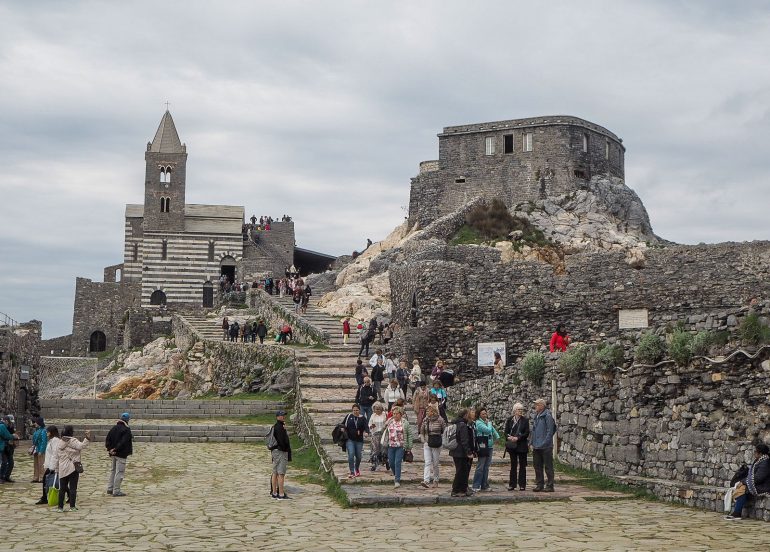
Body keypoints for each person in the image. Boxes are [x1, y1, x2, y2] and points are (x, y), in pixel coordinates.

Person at [725, 443, 769, 520]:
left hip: (763, 486)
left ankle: (737, 513)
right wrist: (743, 481)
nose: (754, 453)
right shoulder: (759, 461)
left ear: (760, 453)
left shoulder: (765, 463)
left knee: (743, 488)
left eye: (755, 452)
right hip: (758, 484)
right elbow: (752, 476)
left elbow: (758, 478)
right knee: (741, 486)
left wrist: (743, 482)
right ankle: (736, 512)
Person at [54, 425, 91, 512]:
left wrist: (56, 469)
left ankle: (60, 507)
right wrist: (87, 438)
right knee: (73, 488)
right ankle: (72, 506)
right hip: (73, 468)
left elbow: (56, 457)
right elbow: (81, 446)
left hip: (62, 468)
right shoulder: (73, 441)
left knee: (62, 489)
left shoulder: (59, 443)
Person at [383, 406, 413, 488]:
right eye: (394, 414)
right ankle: (396, 473)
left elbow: (409, 434)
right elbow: (384, 429)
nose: (395, 415)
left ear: (401, 414)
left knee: (397, 462)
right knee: (391, 462)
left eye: (397, 414)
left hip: (400, 445)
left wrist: (409, 446)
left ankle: (397, 480)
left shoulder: (405, 423)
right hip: (391, 445)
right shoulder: (390, 421)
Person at [531, 398, 557, 492]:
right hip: (536, 445)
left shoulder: (547, 416)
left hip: (545, 446)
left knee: (548, 466)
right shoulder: (536, 416)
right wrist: (531, 442)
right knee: (537, 466)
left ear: (542, 406)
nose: (535, 406)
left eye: (537, 405)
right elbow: (534, 430)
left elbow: (550, 431)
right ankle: (539, 484)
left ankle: (550, 485)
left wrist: (545, 442)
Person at [105, 412, 133, 497]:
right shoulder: (126, 430)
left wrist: (110, 449)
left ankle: (110, 488)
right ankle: (116, 490)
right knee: (119, 472)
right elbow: (123, 442)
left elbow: (107, 440)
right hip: (121, 453)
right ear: (127, 420)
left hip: (113, 454)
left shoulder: (113, 428)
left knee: (113, 471)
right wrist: (115, 449)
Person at [472, 406, 500, 492]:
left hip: (489, 446)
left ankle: (484, 484)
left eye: (485, 413)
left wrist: (497, 437)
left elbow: (493, 430)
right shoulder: (479, 423)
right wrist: (489, 423)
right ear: (479, 415)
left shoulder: (486, 422)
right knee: (480, 466)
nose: (485, 415)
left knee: (486, 466)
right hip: (482, 446)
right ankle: (476, 485)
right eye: (483, 414)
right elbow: (488, 430)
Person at [504, 402, 530, 491]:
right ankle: (512, 484)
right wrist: (509, 437)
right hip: (512, 446)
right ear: (514, 411)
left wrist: (518, 438)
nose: (520, 411)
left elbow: (526, 432)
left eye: (521, 410)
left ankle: (522, 485)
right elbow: (506, 431)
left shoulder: (525, 420)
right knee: (513, 465)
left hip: (521, 445)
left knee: (522, 466)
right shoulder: (509, 420)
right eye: (519, 410)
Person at [420, 404, 446, 488]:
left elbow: (444, 431)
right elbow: (422, 431)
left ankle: (436, 479)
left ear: (433, 411)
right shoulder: (425, 420)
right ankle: (426, 480)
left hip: (437, 443)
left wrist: (442, 440)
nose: (427, 413)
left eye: (429, 411)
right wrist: (424, 440)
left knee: (435, 463)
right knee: (427, 462)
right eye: (426, 411)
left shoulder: (440, 420)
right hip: (427, 442)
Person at [450, 408, 474, 497]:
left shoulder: (456, 423)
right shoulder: (463, 425)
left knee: (462, 471)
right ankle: (455, 490)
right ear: (465, 415)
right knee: (461, 471)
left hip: (455, 451)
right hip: (461, 452)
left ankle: (462, 489)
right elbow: (464, 440)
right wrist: (468, 452)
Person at [270, 410, 292, 500]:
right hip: (280, 452)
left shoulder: (277, 426)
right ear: (277, 417)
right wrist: (285, 449)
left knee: (275, 472)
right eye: (282, 415)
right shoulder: (279, 427)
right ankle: (281, 494)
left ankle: (274, 492)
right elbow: (282, 441)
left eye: (284, 415)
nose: (283, 417)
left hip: (275, 452)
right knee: (281, 473)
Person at [343, 404, 370, 478]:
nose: (355, 412)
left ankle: (356, 468)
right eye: (354, 410)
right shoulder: (349, 416)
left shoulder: (362, 418)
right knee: (351, 454)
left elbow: (366, 427)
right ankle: (352, 471)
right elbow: (343, 424)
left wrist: (366, 432)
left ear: (359, 410)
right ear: (352, 411)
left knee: (358, 456)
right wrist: (342, 429)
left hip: (359, 440)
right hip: (350, 439)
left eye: (357, 410)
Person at [37, 425, 60, 505]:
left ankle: (44, 498)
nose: (47, 433)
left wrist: (52, 467)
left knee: (47, 480)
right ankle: (69, 495)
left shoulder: (55, 441)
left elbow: (55, 454)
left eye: (48, 431)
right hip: (50, 464)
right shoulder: (51, 440)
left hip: (53, 465)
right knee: (56, 480)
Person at [368, 403, 388, 471]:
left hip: (384, 434)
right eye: (376, 409)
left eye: (379, 409)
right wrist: (372, 427)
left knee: (384, 449)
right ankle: (374, 463)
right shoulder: (373, 416)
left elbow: (387, 423)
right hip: (375, 434)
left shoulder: (385, 415)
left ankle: (385, 461)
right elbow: (370, 424)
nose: (378, 410)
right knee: (375, 450)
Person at [0, 415, 19, 483]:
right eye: (8, 422)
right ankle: (1, 477)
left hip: (7, 447)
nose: (9, 423)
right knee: (4, 462)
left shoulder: (8, 426)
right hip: (3, 447)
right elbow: (7, 435)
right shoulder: (2, 426)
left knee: (10, 462)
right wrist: (13, 436)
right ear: (6, 421)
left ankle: (6, 476)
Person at [30, 417, 47, 483]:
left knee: (41, 464)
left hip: (40, 450)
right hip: (36, 449)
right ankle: (36, 477)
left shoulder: (43, 431)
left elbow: (44, 442)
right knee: (36, 464)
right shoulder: (37, 430)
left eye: (36, 422)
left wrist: (41, 450)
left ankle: (42, 477)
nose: (35, 423)